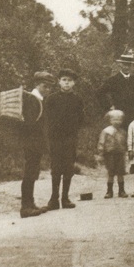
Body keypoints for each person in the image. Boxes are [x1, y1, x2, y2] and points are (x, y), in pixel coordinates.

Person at [44, 68, 85, 211]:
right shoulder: (51, 99)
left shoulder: (77, 99)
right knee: (56, 168)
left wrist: (72, 131)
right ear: (59, 82)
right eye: (64, 80)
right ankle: (53, 199)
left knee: (68, 167)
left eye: (70, 81)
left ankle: (65, 198)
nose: (67, 83)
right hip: (55, 139)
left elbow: (81, 119)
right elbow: (46, 119)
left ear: (74, 83)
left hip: (70, 138)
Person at [20, 71, 56, 218]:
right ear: (37, 84)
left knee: (33, 172)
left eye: (49, 87)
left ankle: (30, 203)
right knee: (30, 173)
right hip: (31, 143)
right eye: (44, 86)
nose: (47, 89)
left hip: (35, 142)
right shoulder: (33, 100)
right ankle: (25, 207)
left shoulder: (38, 99)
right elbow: (29, 123)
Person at [99, 50, 134, 125]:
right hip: (119, 114)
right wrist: (109, 107)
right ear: (120, 65)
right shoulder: (113, 80)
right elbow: (100, 93)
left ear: (131, 66)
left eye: (128, 65)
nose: (126, 67)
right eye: (124, 64)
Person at [98, 110, 128, 198]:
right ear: (110, 120)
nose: (117, 122)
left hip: (120, 154)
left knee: (120, 172)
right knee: (110, 172)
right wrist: (100, 153)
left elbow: (125, 143)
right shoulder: (106, 131)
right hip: (109, 154)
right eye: (114, 119)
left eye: (119, 119)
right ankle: (109, 191)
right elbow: (101, 142)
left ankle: (121, 191)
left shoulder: (123, 132)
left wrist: (126, 152)